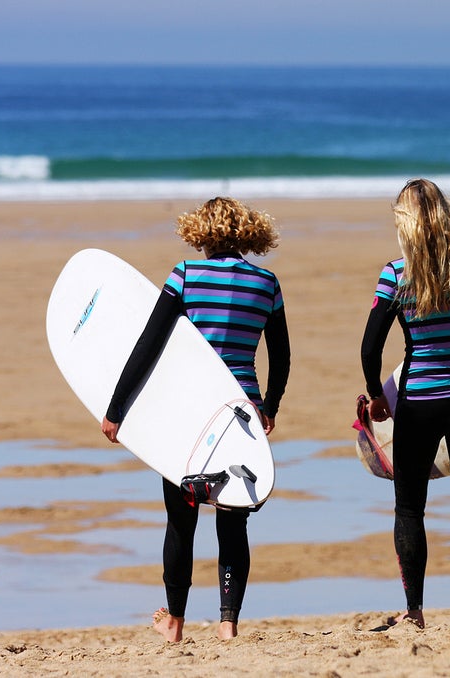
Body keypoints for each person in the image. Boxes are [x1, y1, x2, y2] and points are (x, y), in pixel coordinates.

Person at [101, 196, 291, 642]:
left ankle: (175, 623)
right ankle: (228, 625)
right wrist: (270, 407)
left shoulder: (185, 275)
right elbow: (281, 357)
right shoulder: (267, 282)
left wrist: (116, 409)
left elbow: (148, 345)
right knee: (233, 519)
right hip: (241, 412)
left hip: (190, 414)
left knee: (180, 519)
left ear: (201, 233)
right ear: (245, 232)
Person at [360, 178, 450, 629]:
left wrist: (377, 398)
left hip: (419, 401)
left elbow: (370, 347)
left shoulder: (397, 274)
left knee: (409, 509)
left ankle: (415, 611)